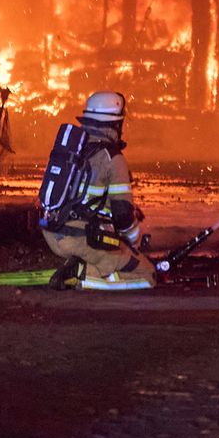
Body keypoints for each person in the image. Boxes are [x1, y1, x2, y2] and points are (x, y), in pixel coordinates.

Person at [37, 91, 154, 291]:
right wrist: (134, 243)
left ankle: (79, 266)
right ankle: (81, 274)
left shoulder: (72, 150)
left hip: (52, 233)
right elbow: (123, 216)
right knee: (147, 275)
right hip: (81, 239)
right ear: (115, 123)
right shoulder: (112, 157)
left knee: (116, 255)